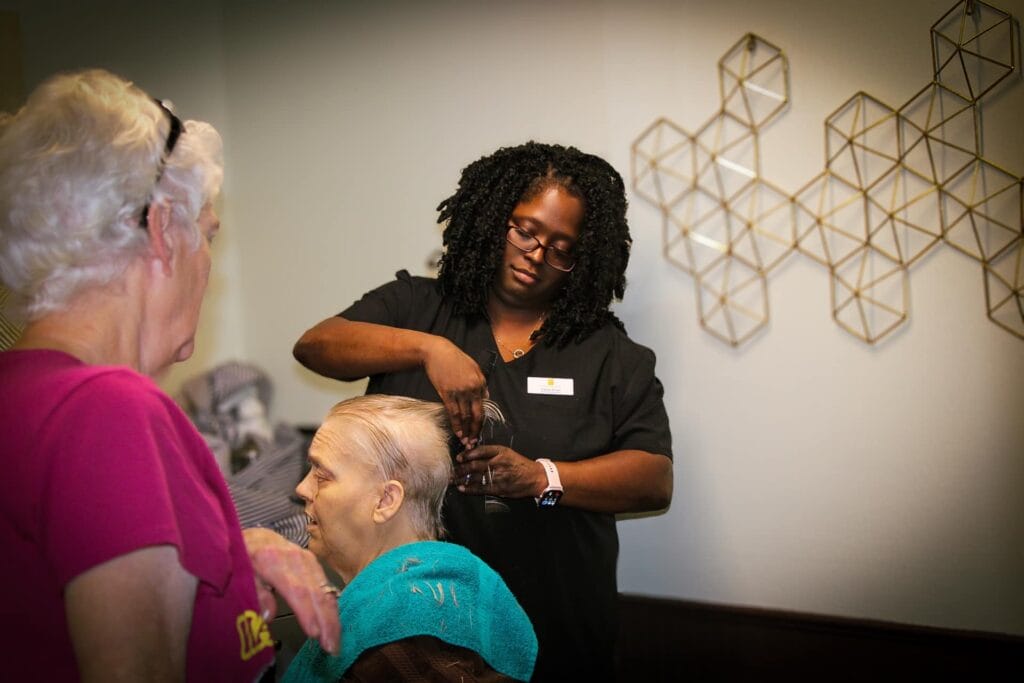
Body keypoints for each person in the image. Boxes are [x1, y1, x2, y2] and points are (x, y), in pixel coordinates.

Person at [0, 68, 339, 681]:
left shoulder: (25, 395)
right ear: (161, 230)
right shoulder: (108, 410)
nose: (209, 263)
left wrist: (236, 558)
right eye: (208, 234)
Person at [293, 141, 673, 681]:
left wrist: (541, 477)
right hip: (416, 631)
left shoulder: (608, 354)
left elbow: (654, 479)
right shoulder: (418, 307)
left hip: (558, 629)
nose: (537, 255)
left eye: (561, 248)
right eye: (525, 231)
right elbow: (317, 345)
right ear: (494, 219)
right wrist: (429, 349)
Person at [284, 395, 537, 682]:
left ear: (385, 500)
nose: (302, 488)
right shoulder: (435, 604)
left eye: (323, 476)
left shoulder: (395, 646)